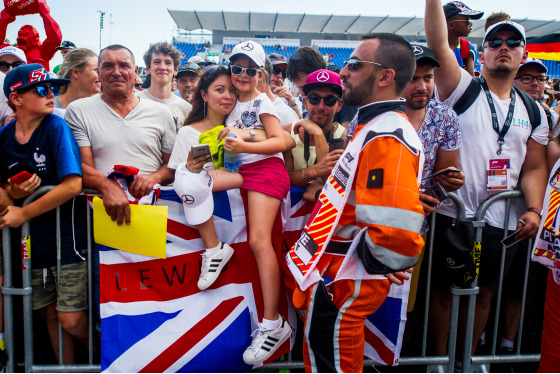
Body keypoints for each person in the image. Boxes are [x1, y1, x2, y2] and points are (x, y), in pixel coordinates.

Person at [285, 33, 425, 373]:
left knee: (332, 364)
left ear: (385, 76)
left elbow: (394, 238)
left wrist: (362, 268)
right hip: (336, 275)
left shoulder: (387, 133)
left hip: (344, 279)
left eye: (354, 65)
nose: (344, 72)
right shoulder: (372, 126)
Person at [425, 1, 549, 367]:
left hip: (503, 222)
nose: (504, 48)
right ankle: (438, 361)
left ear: (523, 53)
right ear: (483, 53)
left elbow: (535, 167)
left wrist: (533, 209)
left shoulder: (534, 110)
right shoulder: (462, 87)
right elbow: (437, 43)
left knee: (485, 295)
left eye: (513, 43)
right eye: (496, 42)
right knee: (445, 294)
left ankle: (467, 361)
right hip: (454, 213)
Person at [0, 64, 87, 364]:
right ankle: (68, 369)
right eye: (41, 89)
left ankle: (112, 355)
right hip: (31, 247)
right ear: (16, 99)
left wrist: (23, 213)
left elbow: (73, 184)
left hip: (69, 242)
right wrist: (12, 195)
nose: (51, 94)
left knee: (71, 319)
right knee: (51, 314)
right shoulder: (3, 137)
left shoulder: (55, 126)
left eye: (54, 88)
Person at [226, 40, 291, 365]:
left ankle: (273, 323)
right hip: (244, 173)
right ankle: (214, 249)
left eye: (249, 69)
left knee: (259, 241)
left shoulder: (264, 101)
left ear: (259, 73)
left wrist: (245, 144)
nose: (242, 74)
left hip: (265, 170)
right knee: (193, 184)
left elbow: (281, 140)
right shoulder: (228, 101)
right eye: (236, 68)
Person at [400, 44, 463, 322]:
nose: (422, 85)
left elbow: (444, 175)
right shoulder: (373, 115)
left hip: (416, 227)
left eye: (428, 78)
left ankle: (395, 364)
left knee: (404, 304)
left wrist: (449, 182)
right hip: (369, 225)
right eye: (414, 78)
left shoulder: (445, 118)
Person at [283, 69, 346, 202]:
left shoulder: (344, 138)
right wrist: (313, 171)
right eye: (314, 99)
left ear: (339, 105)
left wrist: (318, 134)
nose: (321, 106)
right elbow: (284, 179)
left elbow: (334, 185)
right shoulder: (288, 132)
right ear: (305, 102)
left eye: (329, 100)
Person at [137, 42, 192, 132]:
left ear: (175, 70)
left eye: (168, 63)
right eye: (157, 62)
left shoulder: (187, 109)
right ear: (148, 69)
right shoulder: (134, 102)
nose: (162, 67)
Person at [0, 1, 62, 71]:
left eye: (25, 35)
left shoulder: (43, 51)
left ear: (35, 38)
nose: (20, 38)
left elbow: (55, 39)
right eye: (19, 35)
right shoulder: (14, 51)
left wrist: (46, 15)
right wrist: (2, 22)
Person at [513, 57, 558, 129]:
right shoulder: (499, 111)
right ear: (511, 80)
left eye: (541, 79)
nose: (535, 83)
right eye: (527, 78)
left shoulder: (552, 118)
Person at [443, 1, 484, 76]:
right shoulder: (436, 48)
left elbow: (470, 80)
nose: (471, 24)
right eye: (468, 21)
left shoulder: (467, 47)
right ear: (451, 25)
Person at [56, 48, 100, 114]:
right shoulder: (49, 110)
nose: (102, 74)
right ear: (76, 73)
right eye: (95, 70)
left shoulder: (103, 109)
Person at [286, 46, 326, 118]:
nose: (302, 93)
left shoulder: (334, 100)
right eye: (299, 87)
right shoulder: (304, 101)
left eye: (305, 87)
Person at [259, 56, 300, 126]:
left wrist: (291, 102)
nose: (280, 75)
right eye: (276, 70)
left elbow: (300, 130)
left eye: (284, 73)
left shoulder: (292, 101)